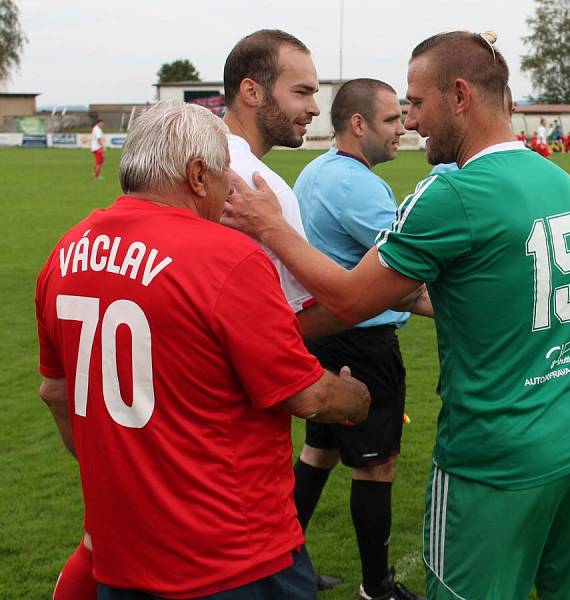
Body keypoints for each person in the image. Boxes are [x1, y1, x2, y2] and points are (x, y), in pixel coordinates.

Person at [222, 30, 570, 600]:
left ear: (459, 96)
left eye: (417, 102)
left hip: (496, 455)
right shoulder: (559, 180)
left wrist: (271, 228)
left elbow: (354, 299)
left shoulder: (452, 193)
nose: (411, 120)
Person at [36, 100, 371, 600]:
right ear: (197, 174)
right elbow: (306, 396)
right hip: (233, 556)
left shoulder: (66, 252)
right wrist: (356, 398)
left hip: (121, 552)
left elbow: (55, 393)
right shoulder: (224, 256)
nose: (228, 192)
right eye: (223, 178)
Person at [291, 78, 424, 600]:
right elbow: (406, 271)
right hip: (361, 344)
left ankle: (286, 565)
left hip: (323, 337)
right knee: (377, 466)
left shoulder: (317, 170)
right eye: (392, 120)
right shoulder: (357, 184)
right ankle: (377, 586)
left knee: (319, 452)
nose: (403, 128)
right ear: (358, 124)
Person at [222, 29, 345, 341]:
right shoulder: (260, 186)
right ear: (252, 92)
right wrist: (383, 292)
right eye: (301, 92)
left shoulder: (184, 159)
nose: (315, 108)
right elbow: (293, 321)